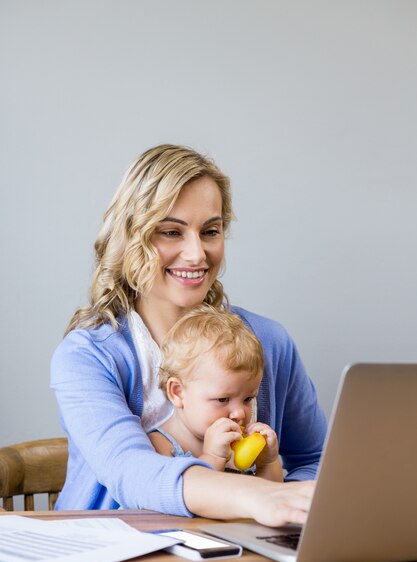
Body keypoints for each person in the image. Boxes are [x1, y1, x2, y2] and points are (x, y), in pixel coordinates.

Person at [50, 143, 327, 527]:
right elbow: (131, 471)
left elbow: (314, 459)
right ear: (133, 237)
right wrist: (261, 498)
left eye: (210, 231)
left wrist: (285, 501)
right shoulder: (87, 356)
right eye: (171, 232)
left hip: (236, 559)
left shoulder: (268, 342)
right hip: (104, 560)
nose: (197, 254)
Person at [151, 304, 283, 483]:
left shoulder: (240, 443)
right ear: (178, 393)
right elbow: (187, 499)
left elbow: (272, 495)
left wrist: (268, 462)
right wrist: (213, 457)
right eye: (223, 399)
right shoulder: (161, 446)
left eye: (248, 398)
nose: (240, 413)